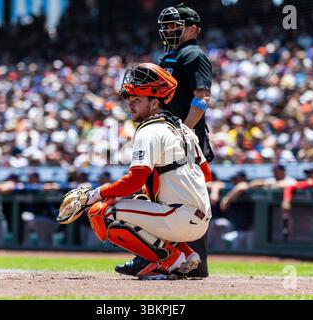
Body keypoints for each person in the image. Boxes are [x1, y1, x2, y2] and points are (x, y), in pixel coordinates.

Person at [59, 63, 212, 280]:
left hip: (179, 218)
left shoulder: (149, 130)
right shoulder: (183, 129)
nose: (131, 105)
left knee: (101, 211)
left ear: (155, 102)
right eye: (130, 100)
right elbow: (206, 174)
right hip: (201, 219)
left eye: (137, 100)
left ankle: (169, 259)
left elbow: (134, 179)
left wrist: (93, 195)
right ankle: (187, 254)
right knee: (142, 195)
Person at [115, 3, 214, 278]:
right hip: (166, 137)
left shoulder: (193, 53)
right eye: (167, 25)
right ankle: (155, 257)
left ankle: (193, 264)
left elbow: (202, 97)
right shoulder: (169, 56)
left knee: (187, 200)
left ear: (193, 28)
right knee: (154, 197)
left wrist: (185, 131)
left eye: (176, 25)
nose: (170, 30)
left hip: (182, 141)